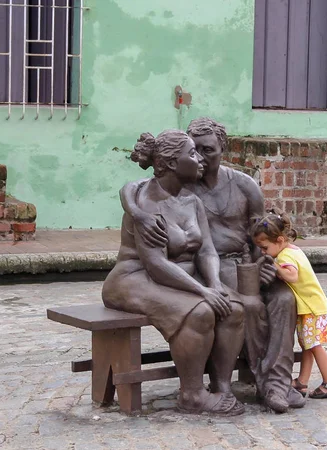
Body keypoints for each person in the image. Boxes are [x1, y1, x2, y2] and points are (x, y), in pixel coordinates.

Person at [120, 117, 305, 412]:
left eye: (207, 150)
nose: (201, 158)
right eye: (196, 151)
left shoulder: (244, 186)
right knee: (250, 305)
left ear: (223, 148)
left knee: (284, 299)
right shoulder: (182, 183)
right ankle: (264, 383)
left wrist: (265, 262)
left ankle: (279, 381)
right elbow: (136, 187)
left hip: (241, 264)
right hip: (207, 269)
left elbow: (264, 236)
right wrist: (135, 211)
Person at [102, 129, 246, 416]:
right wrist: (201, 291)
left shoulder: (192, 201)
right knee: (200, 311)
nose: (199, 159)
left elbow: (206, 250)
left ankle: (222, 387)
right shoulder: (145, 205)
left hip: (176, 277)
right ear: (170, 163)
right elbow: (155, 265)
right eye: (191, 154)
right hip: (134, 278)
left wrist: (215, 283)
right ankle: (192, 394)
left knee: (234, 309)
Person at [251, 213, 327, 399]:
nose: (263, 252)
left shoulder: (284, 256)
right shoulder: (292, 249)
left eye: (265, 248)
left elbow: (292, 276)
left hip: (311, 308)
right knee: (308, 345)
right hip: (313, 306)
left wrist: (275, 267)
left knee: (315, 346)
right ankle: (302, 382)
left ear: (280, 240)